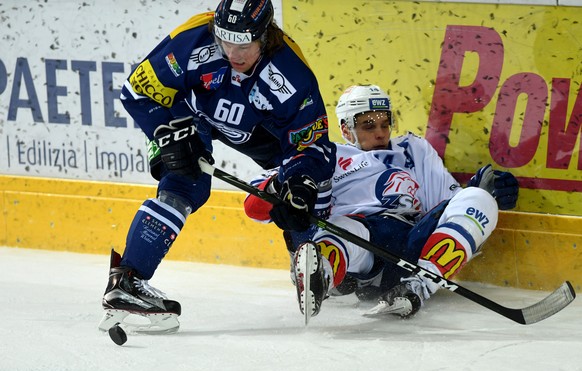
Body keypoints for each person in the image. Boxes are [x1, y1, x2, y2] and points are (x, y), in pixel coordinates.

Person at [98, 0, 336, 333]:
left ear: (265, 36)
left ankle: (309, 253)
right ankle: (128, 280)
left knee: (305, 187)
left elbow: (311, 144)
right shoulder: (194, 38)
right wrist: (166, 135)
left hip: (259, 130)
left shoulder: (291, 74)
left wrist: (300, 184)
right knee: (186, 181)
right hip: (192, 114)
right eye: (225, 41)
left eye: (243, 44)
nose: (232, 53)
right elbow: (137, 91)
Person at [244, 84, 519, 320]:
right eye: (368, 125)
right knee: (344, 228)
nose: (380, 132)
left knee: (479, 197)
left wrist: (482, 190)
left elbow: (448, 203)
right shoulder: (324, 156)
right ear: (346, 128)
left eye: (384, 123)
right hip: (359, 258)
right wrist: (279, 189)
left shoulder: (413, 150)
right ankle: (321, 274)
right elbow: (254, 202)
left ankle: (417, 287)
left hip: (411, 247)